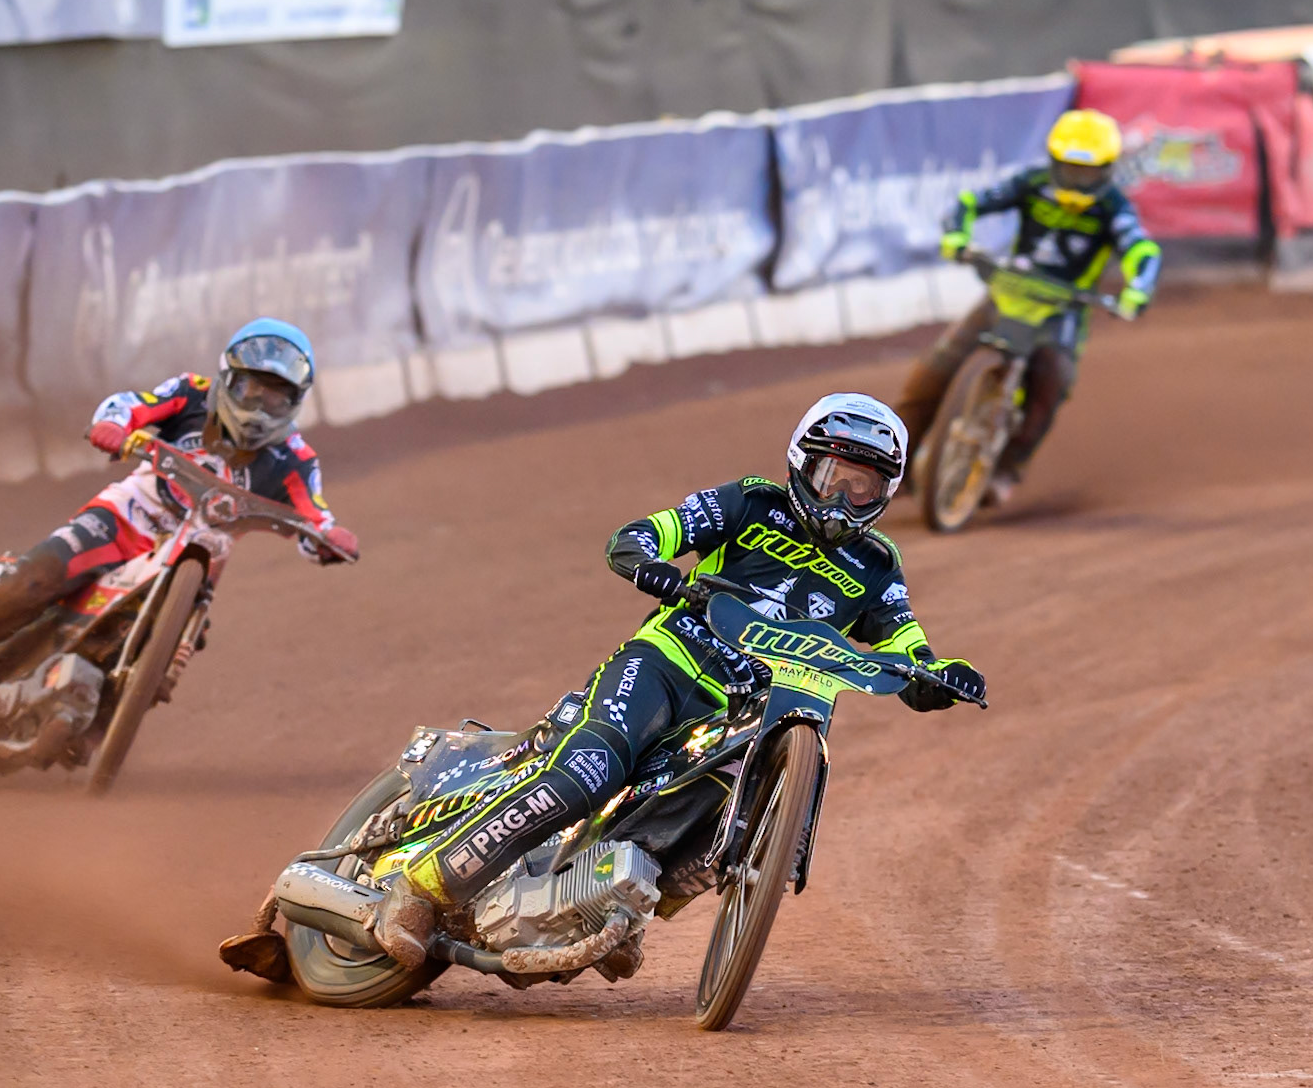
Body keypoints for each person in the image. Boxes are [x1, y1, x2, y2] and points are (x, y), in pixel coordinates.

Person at [369, 392, 985, 969]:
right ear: (802, 465)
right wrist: (649, 562)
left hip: (749, 712)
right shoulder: (750, 501)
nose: (841, 500)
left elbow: (906, 643)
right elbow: (648, 533)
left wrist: (937, 675)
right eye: (832, 479)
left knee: (720, 819)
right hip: (667, 664)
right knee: (592, 772)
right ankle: (418, 891)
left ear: (886, 493)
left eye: (863, 487)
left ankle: (610, 906)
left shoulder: (878, 564)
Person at [0, 317, 359, 755]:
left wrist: (329, 538)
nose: (259, 405)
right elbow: (130, 405)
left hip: (198, 560)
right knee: (30, 582)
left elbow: (313, 517)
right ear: (229, 379)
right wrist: (113, 426)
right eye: (252, 389)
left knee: (170, 657)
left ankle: (92, 728)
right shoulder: (191, 394)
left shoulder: (295, 460)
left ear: (295, 402)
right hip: (125, 520)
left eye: (274, 396)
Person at [896, 107, 1162, 505]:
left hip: (1062, 309)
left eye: (1088, 173)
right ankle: (893, 465)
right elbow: (969, 203)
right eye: (1070, 169)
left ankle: (1007, 468)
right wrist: (957, 236)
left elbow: (1141, 249)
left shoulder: (1114, 209)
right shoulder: (1031, 183)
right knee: (933, 370)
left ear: (1107, 170)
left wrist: (1137, 290)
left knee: (1052, 382)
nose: (1078, 180)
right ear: (1054, 161)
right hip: (1007, 291)